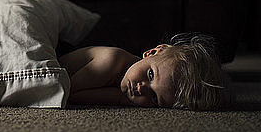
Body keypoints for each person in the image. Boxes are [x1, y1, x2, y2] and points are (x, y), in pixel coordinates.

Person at [59, 33, 233, 110]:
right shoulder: (111, 60)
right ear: (152, 53)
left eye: (154, 97)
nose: (142, 89)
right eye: (150, 75)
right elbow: (68, 93)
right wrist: (120, 99)